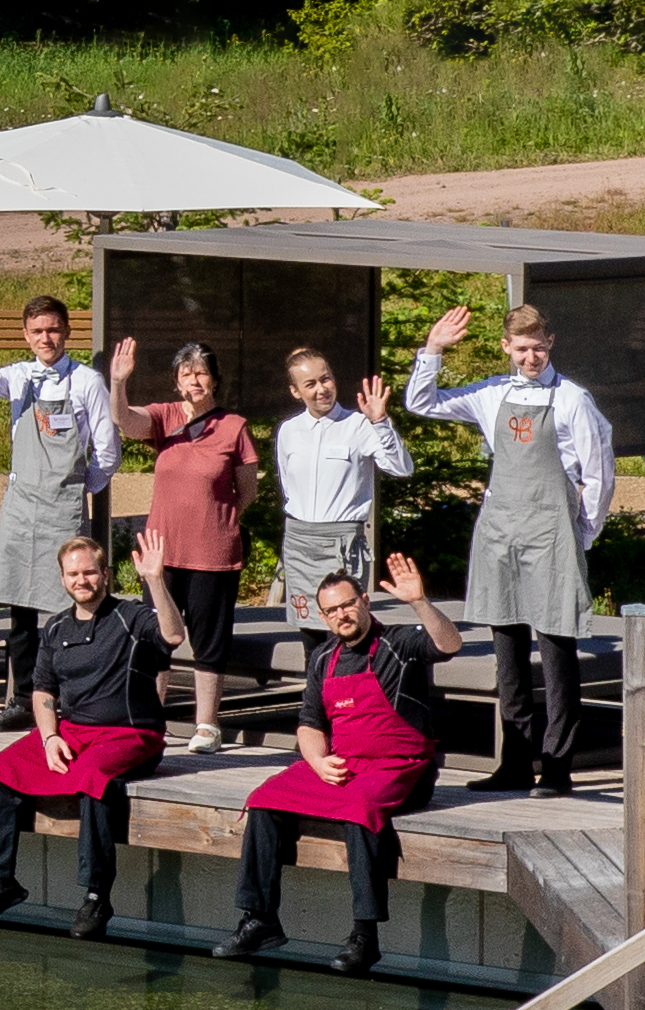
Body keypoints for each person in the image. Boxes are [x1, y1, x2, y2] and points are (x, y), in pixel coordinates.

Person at [401, 303, 609, 794]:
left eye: (538, 347)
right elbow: (421, 403)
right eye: (521, 349)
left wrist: (584, 533)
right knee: (507, 651)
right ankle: (514, 761)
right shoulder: (491, 394)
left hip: (553, 529)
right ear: (505, 348)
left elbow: (598, 471)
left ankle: (557, 767)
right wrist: (432, 349)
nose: (530, 356)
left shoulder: (573, 399)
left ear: (551, 343)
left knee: (557, 651)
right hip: (502, 529)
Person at [227, 549, 457, 973]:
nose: (341, 615)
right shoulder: (322, 658)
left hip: (402, 766)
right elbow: (309, 723)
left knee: (359, 809)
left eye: (348, 604)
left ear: (365, 601)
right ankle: (259, 918)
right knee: (263, 798)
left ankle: (364, 937)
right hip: (343, 764)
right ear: (323, 616)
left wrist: (420, 602)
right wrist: (316, 761)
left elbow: (449, 644)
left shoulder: (401, 642)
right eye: (331, 610)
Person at [0, 530, 174, 939]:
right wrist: (49, 737)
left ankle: (97, 895)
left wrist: (155, 580)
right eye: (73, 574)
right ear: (63, 579)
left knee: (92, 779)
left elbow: (173, 636)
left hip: (132, 734)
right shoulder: (57, 626)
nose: (82, 580)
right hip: (73, 732)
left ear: (106, 575)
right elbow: (43, 689)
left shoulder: (131, 617)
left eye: (90, 572)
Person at [0, 295, 120, 723]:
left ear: (66, 332)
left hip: (63, 509)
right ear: (25, 335)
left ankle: (72, 698)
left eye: (53, 329)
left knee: (70, 607)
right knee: (19, 610)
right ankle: (22, 700)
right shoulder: (18, 377)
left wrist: (75, 488)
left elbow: (108, 454)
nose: (46, 338)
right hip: (21, 507)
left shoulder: (87, 381)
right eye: (37, 331)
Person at [262, 342, 416, 694]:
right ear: (295, 391)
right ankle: (316, 713)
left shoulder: (358, 425)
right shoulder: (289, 431)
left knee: (346, 627)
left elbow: (400, 467)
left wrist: (380, 422)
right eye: (311, 384)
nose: (321, 389)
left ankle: (352, 706)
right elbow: (290, 487)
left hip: (341, 541)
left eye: (326, 379)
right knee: (311, 635)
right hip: (301, 540)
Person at [120, 336, 271, 679]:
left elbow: (246, 491)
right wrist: (119, 383)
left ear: (215, 379)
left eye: (201, 373)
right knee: (155, 638)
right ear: (177, 381)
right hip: (162, 553)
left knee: (209, 644)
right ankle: (151, 721)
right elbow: (127, 422)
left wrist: (216, 520)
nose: (194, 380)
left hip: (212, 555)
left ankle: (207, 725)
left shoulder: (234, 426)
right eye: (186, 374)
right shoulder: (164, 416)